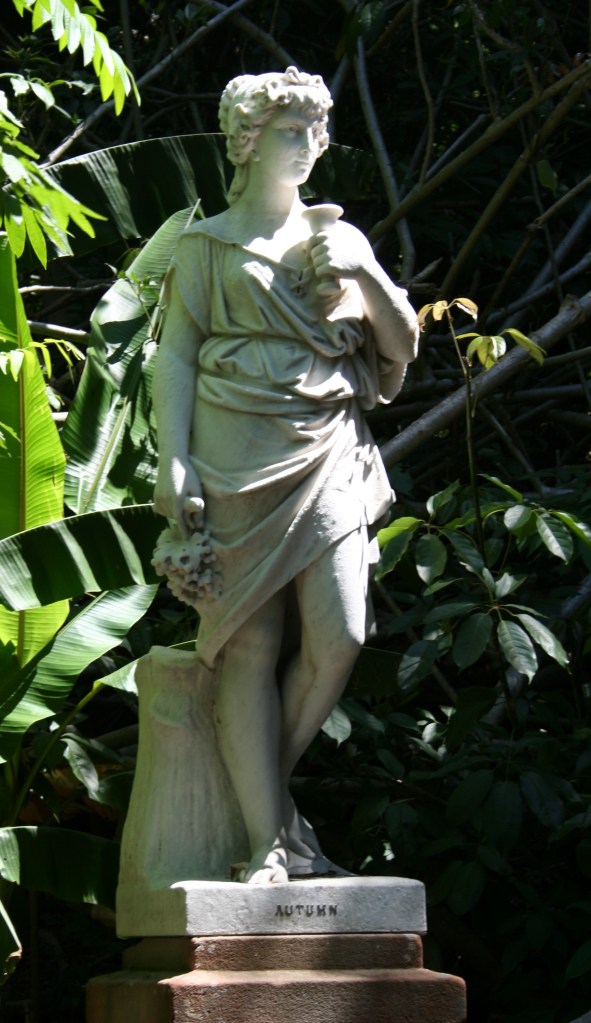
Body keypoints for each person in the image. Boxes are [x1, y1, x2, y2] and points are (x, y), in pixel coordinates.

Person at [152, 66, 419, 884]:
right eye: (289, 131)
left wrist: (365, 276)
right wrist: (172, 456)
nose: (307, 146)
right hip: (232, 449)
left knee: (340, 636)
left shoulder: (340, 239)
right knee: (251, 643)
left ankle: (258, 796)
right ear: (247, 139)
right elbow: (176, 353)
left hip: (327, 442)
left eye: (314, 132)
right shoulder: (205, 245)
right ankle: (266, 839)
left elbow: (401, 346)